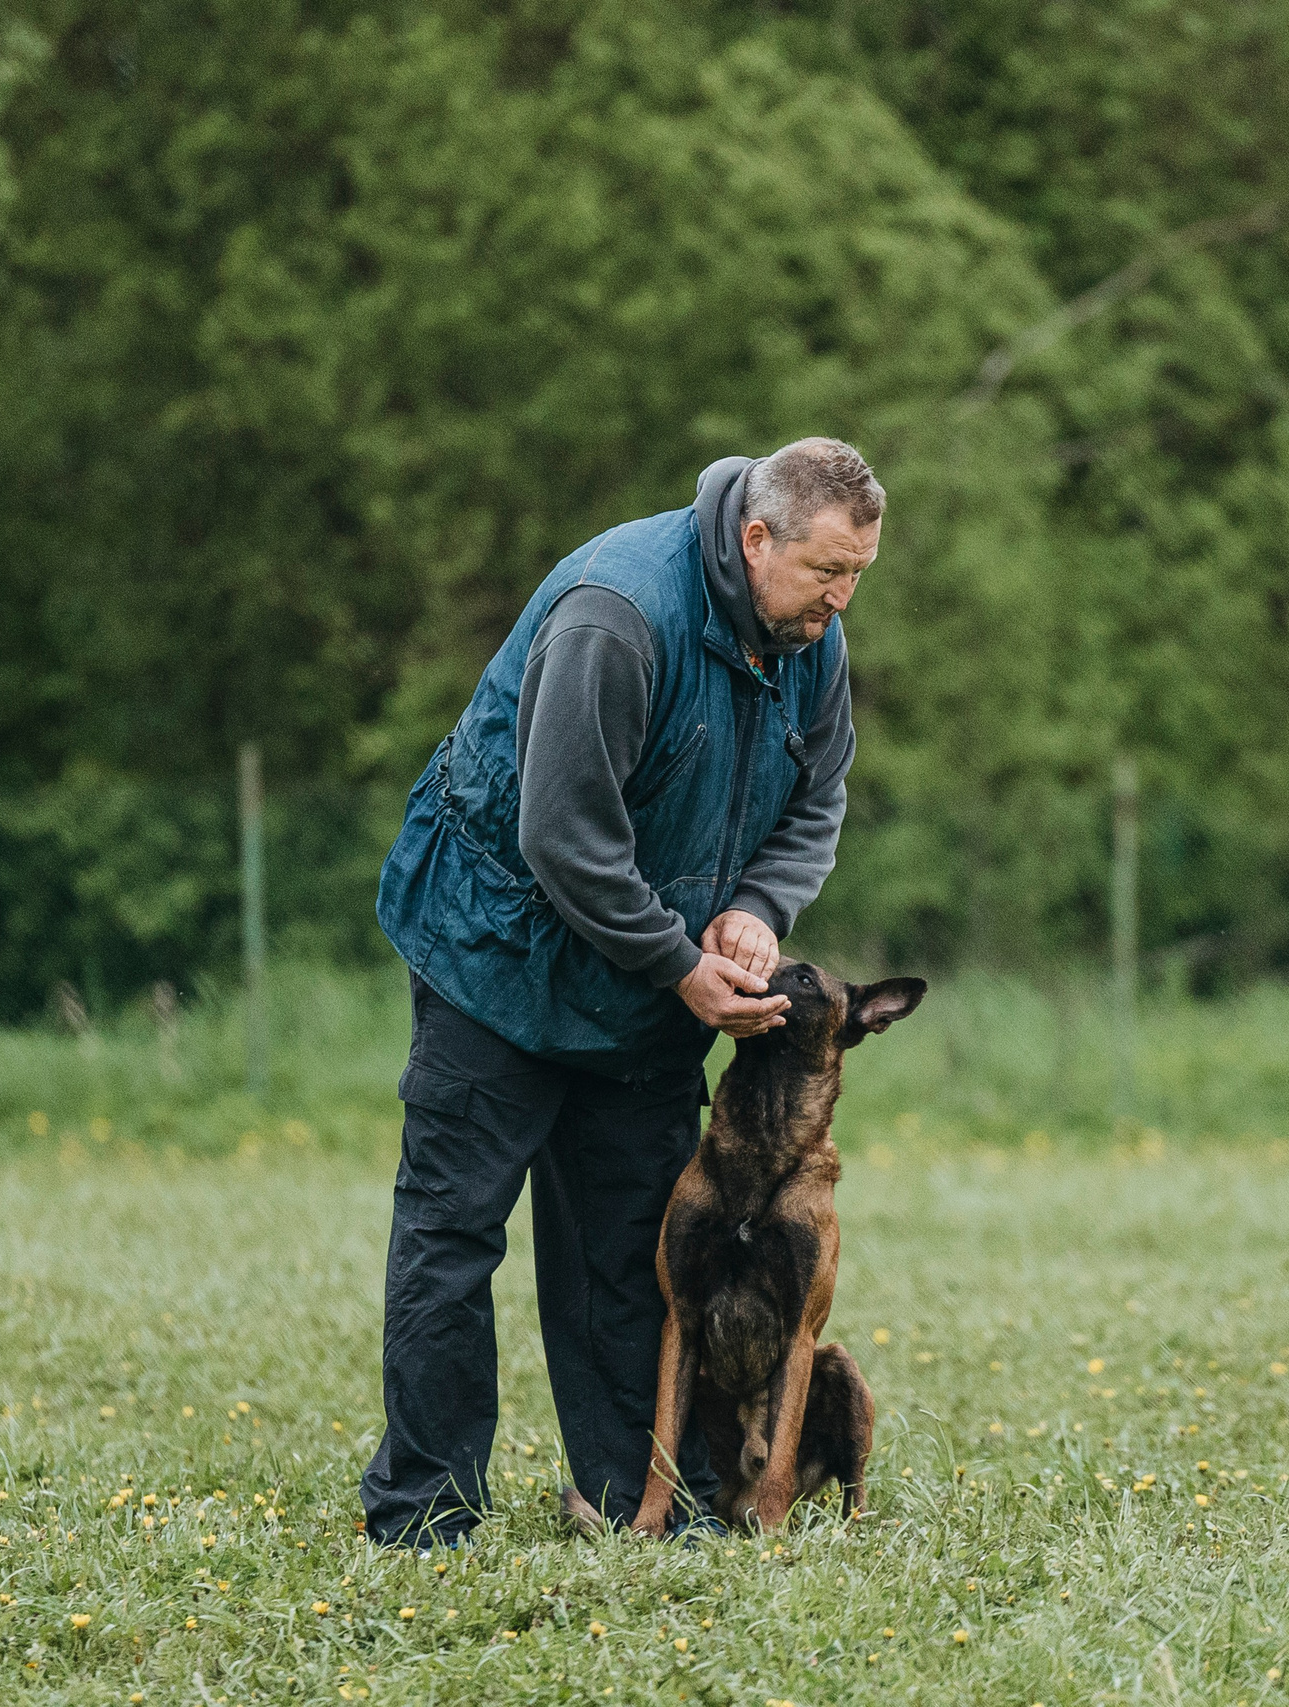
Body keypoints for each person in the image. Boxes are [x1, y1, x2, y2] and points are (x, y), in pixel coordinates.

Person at [362, 437, 883, 1546]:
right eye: (826, 575)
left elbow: (816, 799)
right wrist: (681, 966)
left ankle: (634, 1502)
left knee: (627, 1248)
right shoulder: (618, 615)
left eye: (856, 578)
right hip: (495, 954)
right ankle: (423, 1516)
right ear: (755, 539)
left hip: (643, 979)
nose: (840, 604)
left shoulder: (808, 641)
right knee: (452, 1239)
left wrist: (755, 906)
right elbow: (565, 835)